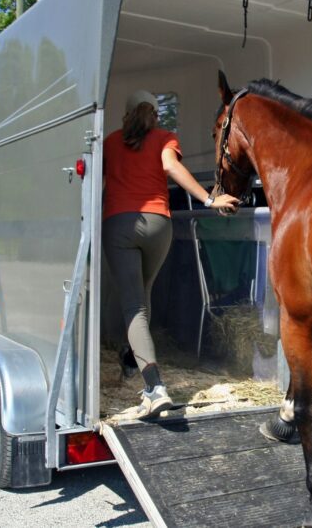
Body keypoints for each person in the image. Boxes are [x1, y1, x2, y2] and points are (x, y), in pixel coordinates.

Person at [103, 89, 240, 419]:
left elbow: (100, 182)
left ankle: (154, 389)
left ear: (126, 114)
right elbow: (170, 168)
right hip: (159, 225)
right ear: (155, 114)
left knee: (133, 306)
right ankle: (131, 355)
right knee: (144, 297)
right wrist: (209, 200)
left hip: (120, 222)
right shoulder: (165, 137)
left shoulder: (110, 141)